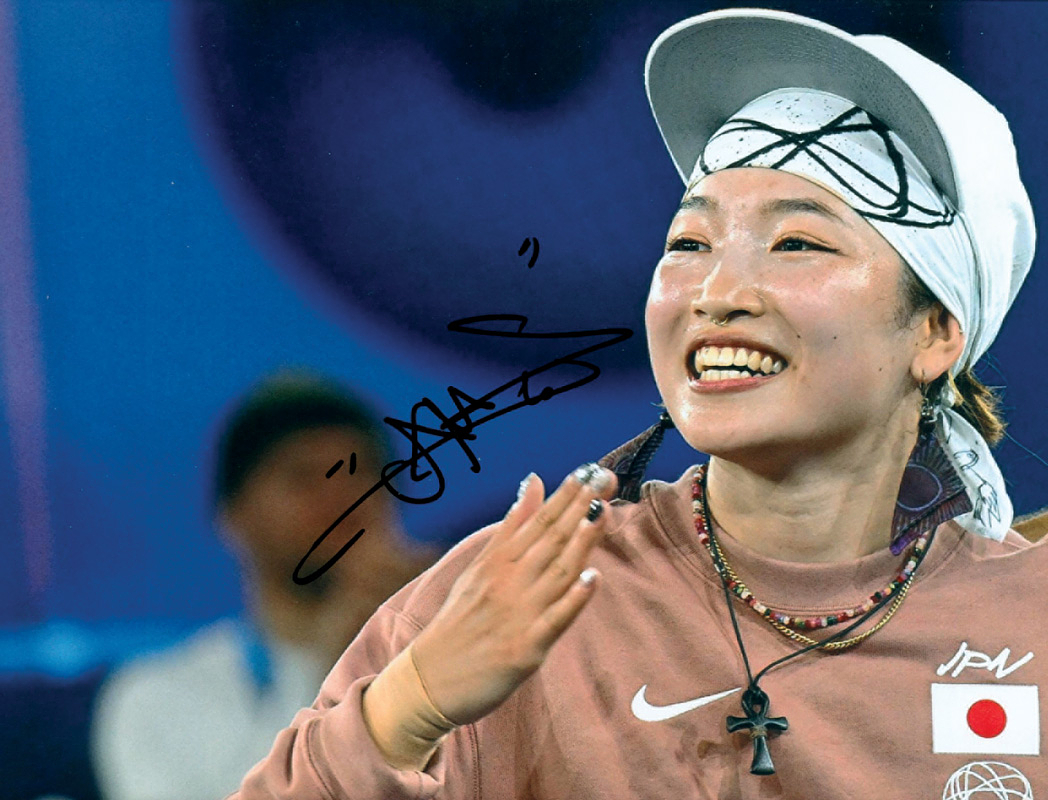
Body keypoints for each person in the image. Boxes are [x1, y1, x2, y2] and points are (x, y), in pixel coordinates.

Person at [229, 10, 1046, 799]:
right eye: (689, 243)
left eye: (797, 242)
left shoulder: (1027, 620)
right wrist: (410, 705)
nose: (717, 291)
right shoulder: (518, 595)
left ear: (936, 330)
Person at [91, 373, 437, 800]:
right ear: (233, 515)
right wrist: (341, 673)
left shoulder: (454, 660)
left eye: (362, 472)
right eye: (303, 477)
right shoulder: (157, 697)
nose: (342, 496)